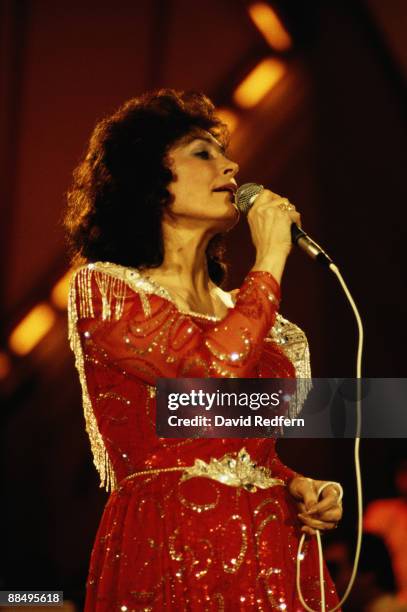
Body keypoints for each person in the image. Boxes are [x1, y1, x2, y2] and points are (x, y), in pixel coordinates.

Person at [64, 89, 343, 611]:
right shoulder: (108, 291)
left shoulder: (259, 319)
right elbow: (207, 376)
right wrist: (273, 254)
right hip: (173, 537)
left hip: (275, 548)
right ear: (149, 177)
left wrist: (298, 485)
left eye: (223, 151)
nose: (231, 164)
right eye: (203, 152)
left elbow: (236, 444)